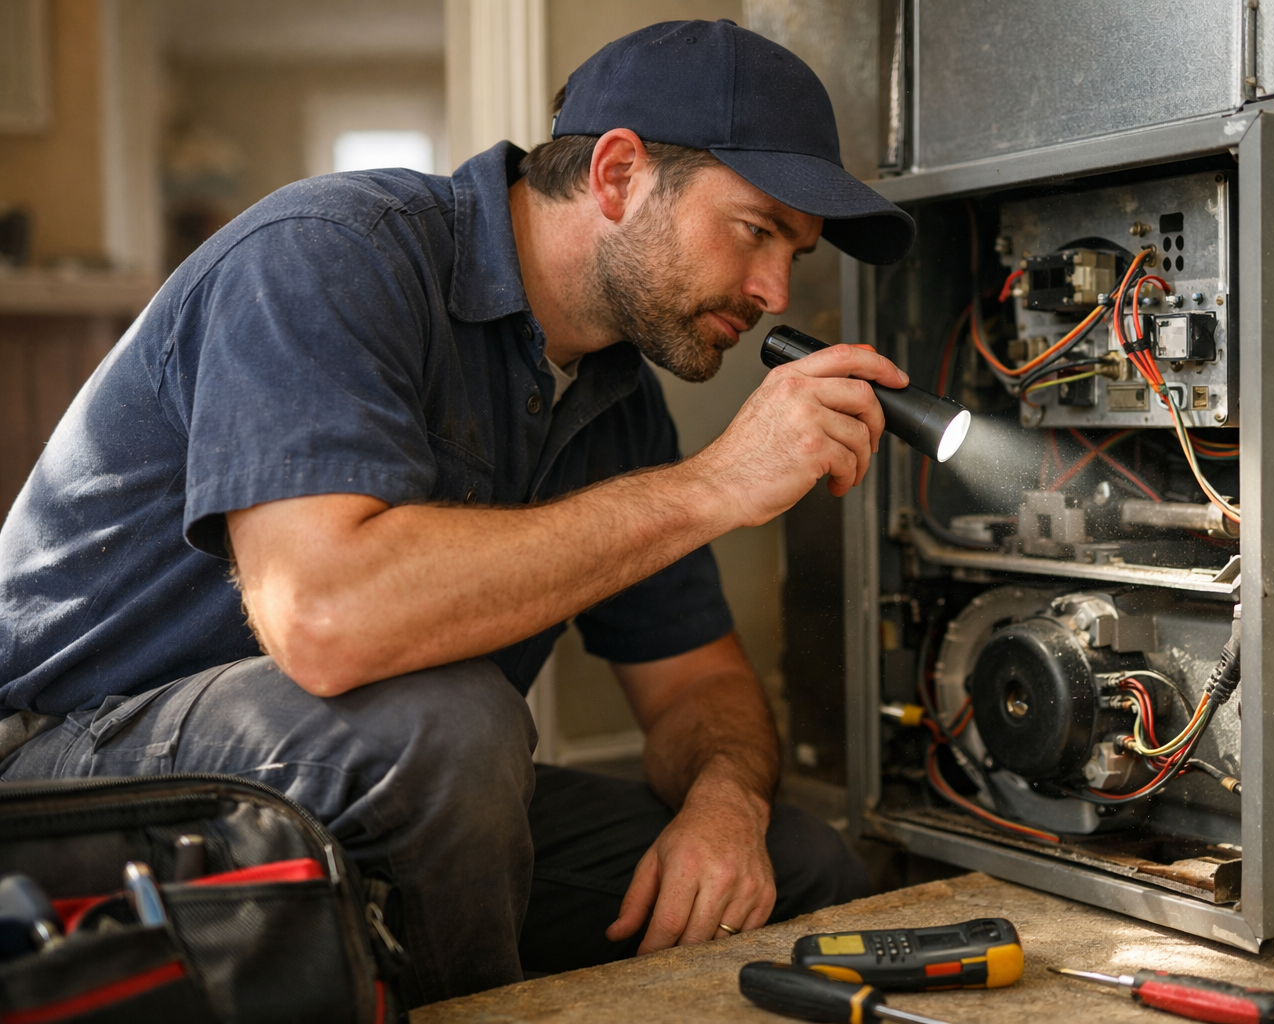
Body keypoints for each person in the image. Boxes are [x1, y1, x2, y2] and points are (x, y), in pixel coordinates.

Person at [0, 19, 914, 1005]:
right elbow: (324, 618)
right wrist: (715, 485)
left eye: (795, 249)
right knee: (455, 724)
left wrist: (726, 804)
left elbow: (699, 686)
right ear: (616, 175)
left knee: (797, 863)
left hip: (358, 775)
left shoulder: (614, 402)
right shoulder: (331, 255)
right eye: (756, 230)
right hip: (69, 777)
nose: (775, 289)